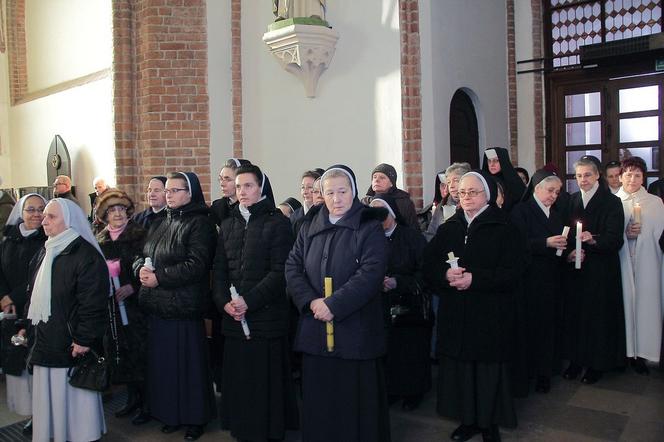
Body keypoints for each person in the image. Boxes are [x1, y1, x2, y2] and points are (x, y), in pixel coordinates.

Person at [286, 165, 390, 442]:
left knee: (354, 401)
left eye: (342, 191)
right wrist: (310, 302)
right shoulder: (310, 225)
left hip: (355, 328)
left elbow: (371, 273)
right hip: (316, 327)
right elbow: (292, 266)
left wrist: (334, 304)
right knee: (321, 400)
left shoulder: (368, 225)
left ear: (353, 191)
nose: (336, 198)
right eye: (329, 192)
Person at [423, 171, 522, 442]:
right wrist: (445, 276)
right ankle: (467, 421)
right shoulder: (449, 227)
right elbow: (428, 266)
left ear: (487, 195)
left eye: (473, 192)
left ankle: (489, 424)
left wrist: (475, 279)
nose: (465, 197)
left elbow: (515, 271)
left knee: (487, 371)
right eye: (462, 192)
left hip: (490, 313)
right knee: (462, 370)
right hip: (456, 312)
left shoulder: (505, 227)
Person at [213, 164, 299, 441]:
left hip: (265, 317)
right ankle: (243, 429)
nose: (242, 191)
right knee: (240, 380)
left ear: (261, 187)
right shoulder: (228, 224)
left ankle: (267, 431)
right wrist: (224, 302)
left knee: (263, 381)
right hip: (234, 317)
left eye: (248, 185)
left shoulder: (277, 222)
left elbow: (280, 272)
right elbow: (219, 270)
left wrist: (248, 301)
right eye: (238, 187)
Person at [137, 172, 217, 440]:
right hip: (159, 307)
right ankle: (171, 413)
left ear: (190, 193)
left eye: (174, 190)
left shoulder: (200, 223)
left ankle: (195, 418)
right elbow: (143, 253)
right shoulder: (161, 221)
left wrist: (159, 277)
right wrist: (140, 270)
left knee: (189, 368)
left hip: (183, 308)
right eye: (167, 190)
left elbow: (196, 265)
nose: (168, 195)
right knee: (166, 367)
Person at [25, 198, 108, 442]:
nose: (44, 220)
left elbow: (93, 303)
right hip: (46, 338)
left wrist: (83, 338)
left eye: (51, 216)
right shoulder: (47, 249)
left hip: (71, 343)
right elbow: (33, 295)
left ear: (69, 221)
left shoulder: (86, 256)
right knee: (49, 395)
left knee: (73, 398)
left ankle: (82, 435)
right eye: (45, 216)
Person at [562, 156, 625, 385]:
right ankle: (576, 360)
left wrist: (593, 239)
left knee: (598, 318)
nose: (582, 180)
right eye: (578, 175)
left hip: (601, 270)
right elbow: (566, 232)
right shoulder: (572, 200)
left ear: (598, 175)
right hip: (577, 270)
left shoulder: (611, 202)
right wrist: (569, 251)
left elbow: (615, 239)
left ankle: (597, 364)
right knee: (577, 316)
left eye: (587, 175)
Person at [369, 194, 431, 411]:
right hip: (381, 305)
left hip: (410, 306)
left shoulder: (412, 238)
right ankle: (392, 390)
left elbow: (426, 272)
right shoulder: (370, 239)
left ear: (393, 213)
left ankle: (414, 392)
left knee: (410, 351)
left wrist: (398, 282)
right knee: (389, 351)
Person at [510, 170, 566, 393]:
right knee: (531, 327)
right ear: (537, 188)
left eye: (557, 192)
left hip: (552, 279)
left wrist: (569, 252)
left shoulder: (557, 213)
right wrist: (545, 243)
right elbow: (517, 245)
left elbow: (562, 243)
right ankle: (530, 370)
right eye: (550, 190)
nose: (554, 195)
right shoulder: (521, 211)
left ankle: (546, 372)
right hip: (530, 280)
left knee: (548, 327)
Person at [95, 189, 148, 418]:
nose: (117, 213)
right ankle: (131, 398)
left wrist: (132, 286)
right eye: (112, 210)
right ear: (104, 215)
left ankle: (146, 402)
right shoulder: (99, 239)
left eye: (121, 209)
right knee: (119, 351)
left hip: (136, 305)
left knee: (139, 352)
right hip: (111, 305)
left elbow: (148, 265)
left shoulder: (139, 234)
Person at [0, 194, 47, 435]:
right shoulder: (8, 239)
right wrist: (3, 297)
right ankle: (28, 411)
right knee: (16, 361)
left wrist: (13, 297)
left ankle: (41, 413)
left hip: (36, 309)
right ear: (21, 212)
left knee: (34, 365)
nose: (37, 215)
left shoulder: (47, 239)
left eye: (41, 209)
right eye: (31, 210)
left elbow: (39, 276)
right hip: (10, 311)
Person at [615, 157, 664, 374]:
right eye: (628, 174)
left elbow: (660, 234)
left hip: (648, 263)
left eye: (637, 175)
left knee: (646, 307)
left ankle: (643, 354)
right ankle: (624, 352)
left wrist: (643, 238)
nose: (632, 179)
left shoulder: (654, 203)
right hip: (622, 261)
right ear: (620, 176)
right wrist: (625, 235)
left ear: (644, 177)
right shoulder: (613, 202)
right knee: (624, 306)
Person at [423, 163, 471, 241]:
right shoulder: (443, 204)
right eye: (448, 182)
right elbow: (431, 233)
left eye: (456, 181)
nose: (451, 186)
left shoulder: (472, 203)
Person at [362, 163, 419, 229]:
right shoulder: (365, 202)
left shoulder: (404, 202)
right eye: (374, 177)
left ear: (392, 183)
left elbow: (413, 229)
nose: (376, 180)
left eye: (382, 178)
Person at [481, 147, 526, 212]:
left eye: (496, 161)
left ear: (503, 161)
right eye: (489, 161)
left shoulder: (514, 181)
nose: (492, 164)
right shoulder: (484, 181)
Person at [210, 158, 251, 227]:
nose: (222, 184)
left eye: (228, 179)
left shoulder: (250, 207)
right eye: (220, 179)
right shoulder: (217, 207)